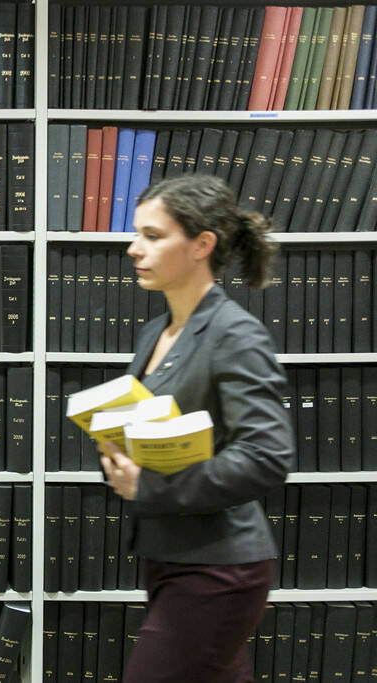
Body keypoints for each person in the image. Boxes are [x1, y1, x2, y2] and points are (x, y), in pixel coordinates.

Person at [99, 174, 294, 683]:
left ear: (202, 245)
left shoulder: (236, 334)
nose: (133, 248)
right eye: (137, 234)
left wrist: (151, 485)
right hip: (168, 555)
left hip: (219, 567)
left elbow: (267, 455)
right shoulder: (155, 332)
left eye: (153, 235)